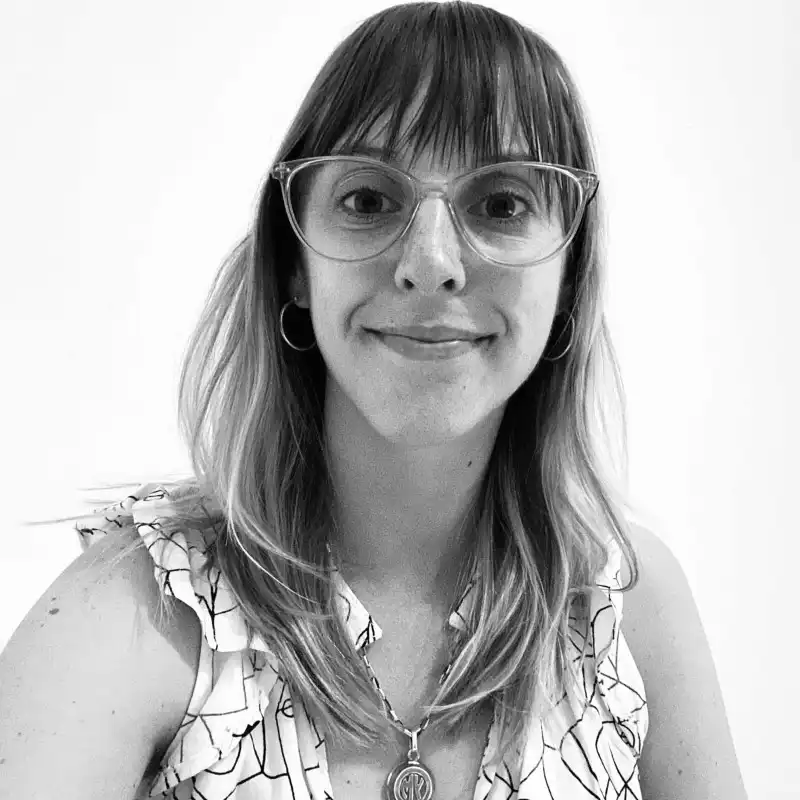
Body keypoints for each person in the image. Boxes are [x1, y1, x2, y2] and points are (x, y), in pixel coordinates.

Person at [0, 2, 748, 798]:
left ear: (569, 274)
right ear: (295, 262)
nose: (431, 263)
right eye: (368, 200)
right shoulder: (139, 608)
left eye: (501, 204)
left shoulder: (627, 604)